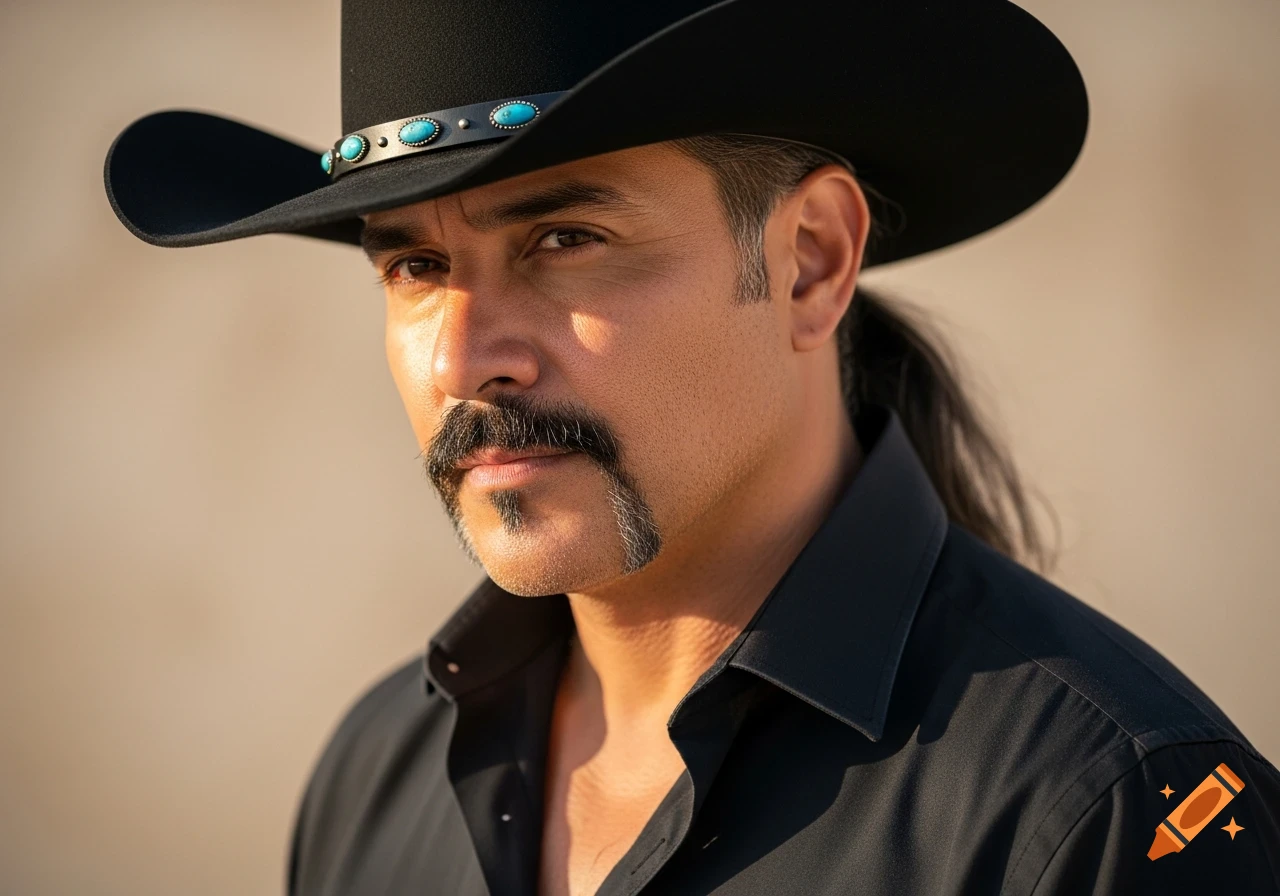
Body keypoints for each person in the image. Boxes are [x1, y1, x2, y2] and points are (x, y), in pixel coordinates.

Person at [102, 1, 1280, 894]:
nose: (465, 357)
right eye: (415, 266)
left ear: (811, 260)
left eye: (564, 236)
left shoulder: (1103, 804)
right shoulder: (375, 774)